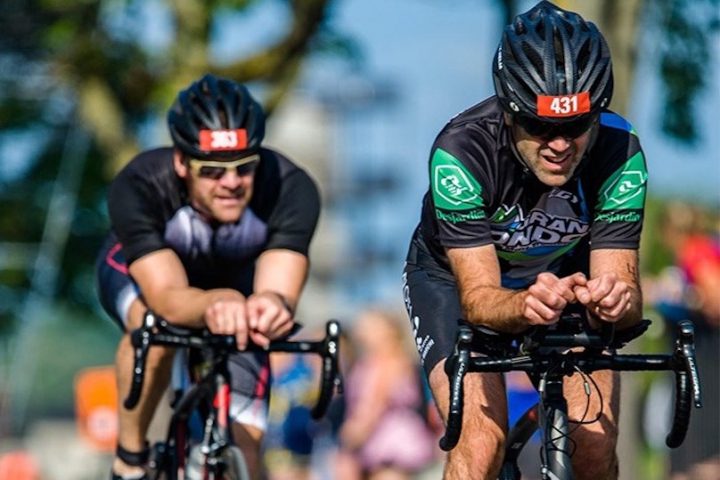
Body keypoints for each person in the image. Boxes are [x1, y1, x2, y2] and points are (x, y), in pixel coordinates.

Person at [401, 2, 648, 479]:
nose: (559, 144)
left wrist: (617, 300)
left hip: (564, 282)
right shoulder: (462, 149)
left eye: (576, 126)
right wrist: (522, 305)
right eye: (540, 126)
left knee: (594, 446)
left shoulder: (621, 150)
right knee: (480, 444)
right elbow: (478, 301)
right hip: (457, 283)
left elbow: (625, 292)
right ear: (509, 112)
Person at [95, 73, 321, 480]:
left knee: (246, 454)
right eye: (212, 171)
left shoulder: (290, 186)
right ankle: (129, 458)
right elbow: (167, 295)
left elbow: (278, 290)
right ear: (182, 162)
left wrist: (271, 307)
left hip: (236, 289)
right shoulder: (141, 183)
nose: (231, 182)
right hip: (151, 279)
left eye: (243, 167)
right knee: (152, 327)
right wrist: (216, 301)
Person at [334, 308, 438, 480]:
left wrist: (348, 442)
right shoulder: (368, 363)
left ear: (388, 331)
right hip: (376, 444)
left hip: (391, 445)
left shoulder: (389, 363)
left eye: (370, 326)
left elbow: (374, 404)